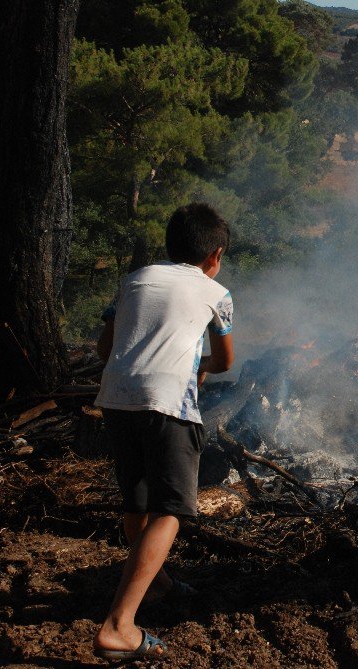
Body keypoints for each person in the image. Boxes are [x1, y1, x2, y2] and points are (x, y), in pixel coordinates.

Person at [92, 203, 235, 660]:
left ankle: (156, 585)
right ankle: (120, 625)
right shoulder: (217, 291)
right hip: (169, 403)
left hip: (115, 398)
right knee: (171, 511)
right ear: (214, 255)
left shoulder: (133, 280)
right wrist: (203, 367)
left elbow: (104, 347)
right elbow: (225, 360)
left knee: (136, 500)